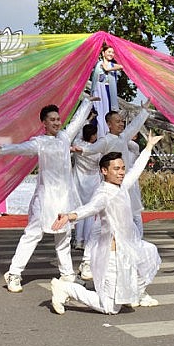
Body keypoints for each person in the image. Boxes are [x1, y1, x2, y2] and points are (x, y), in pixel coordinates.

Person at [0, 96, 96, 293]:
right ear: (44, 123)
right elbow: (20, 148)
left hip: (64, 198)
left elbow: (77, 121)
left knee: (64, 237)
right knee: (32, 235)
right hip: (44, 200)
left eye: (58, 119)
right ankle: (14, 273)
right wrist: (0, 150)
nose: (57, 122)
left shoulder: (65, 138)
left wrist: (87, 103)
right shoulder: (39, 142)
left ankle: (68, 274)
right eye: (52, 120)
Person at [49, 133, 163, 315]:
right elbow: (90, 208)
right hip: (112, 255)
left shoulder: (122, 185)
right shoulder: (103, 193)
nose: (121, 172)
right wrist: (70, 216)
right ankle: (66, 288)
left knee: (150, 255)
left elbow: (136, 170)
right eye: (116, 169)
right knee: (109, 308)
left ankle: (134, 295)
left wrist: (148, 147)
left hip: (129, 248)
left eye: (122, 168)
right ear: (104, 171)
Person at [76, 102, 150, 237]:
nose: (121, 124)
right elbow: (92, 149)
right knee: (107, 216)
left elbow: (134, 126)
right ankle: (93, 247)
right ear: (109, 124)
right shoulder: (105, 140)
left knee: (135, 214)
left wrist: (144, 111)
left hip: (127, 180)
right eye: (117, 122)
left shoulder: (124, 136)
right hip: (112, 184)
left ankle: (137, 241)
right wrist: (81, 149)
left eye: (122, 121)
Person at [72, 123, 102, 280]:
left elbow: (76, 135)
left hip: (79, 179)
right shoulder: (96, 150)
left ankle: (78, 240)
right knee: (90, 212)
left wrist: (86, 120)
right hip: (92, 181)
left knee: (79, 211)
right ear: (93, 135)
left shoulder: (78, 144)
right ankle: (86, 240)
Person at [90, 43, 123, 138]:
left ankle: (107, 133)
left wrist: (110, 68)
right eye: (109, 52)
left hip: (109, 90)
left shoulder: (112, 65)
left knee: (108, 112)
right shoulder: (98, 64)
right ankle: (97, 134)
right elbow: (104, 68)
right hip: (99, 90)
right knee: (98, 112)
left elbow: (120, 66)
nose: (111, 54)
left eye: (113, 52)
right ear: (103, 53)